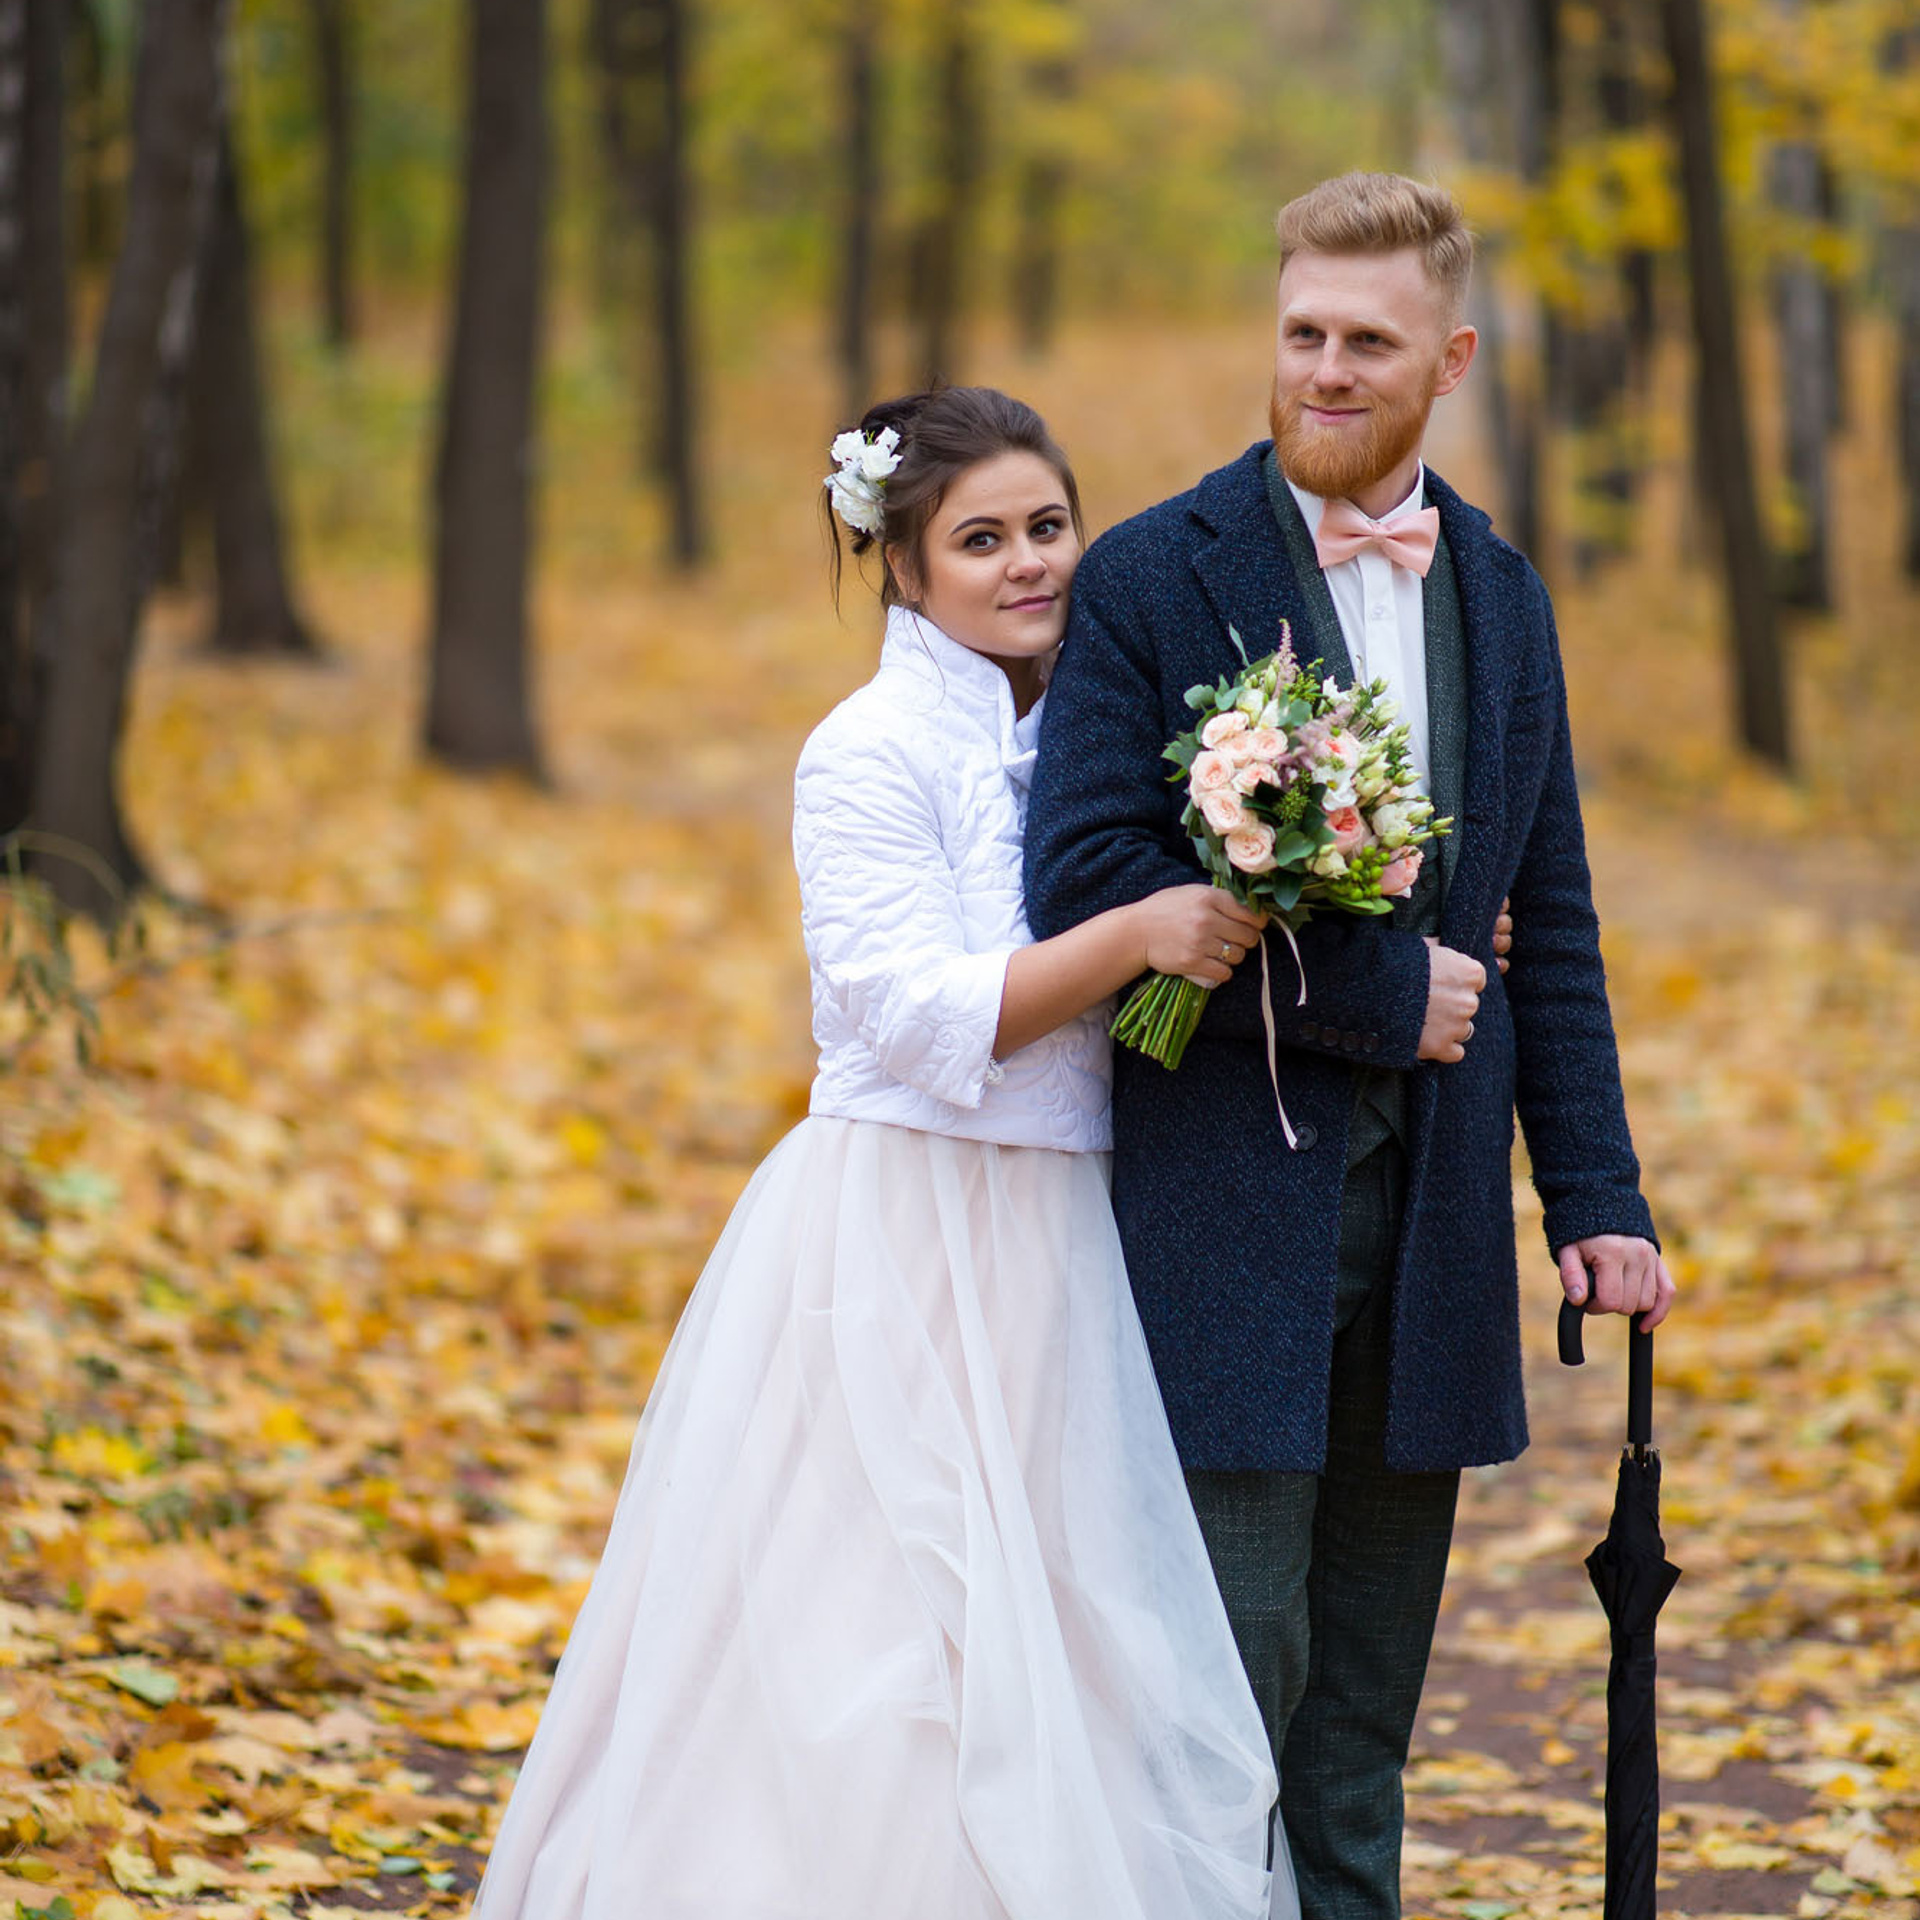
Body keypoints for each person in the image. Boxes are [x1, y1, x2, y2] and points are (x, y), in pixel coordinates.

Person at [470, 385, 1293, 1920]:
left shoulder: (1117, 734)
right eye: (980, 540)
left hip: (1065, 1237)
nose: (1030, 563)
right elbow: (922, 1019)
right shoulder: (863, 753)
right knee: (884, 1631)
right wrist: (1138, 933)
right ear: (902, 568)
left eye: (1049, 526)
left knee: (1065, 1623)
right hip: (905, 1235)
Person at [1022, 172, 1677, 1920]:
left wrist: (1597, 1199)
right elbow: (1086, 882)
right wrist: (1372, 996)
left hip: (1442, 1221)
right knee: (1224, 1692)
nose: (1323, 369)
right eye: (1300, 332)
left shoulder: (1507, 597)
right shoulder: (1158, 574)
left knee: (1365, 1717)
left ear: (1449, 357)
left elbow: (1556, 915)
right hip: (1221, 1209)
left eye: (1365, 343)